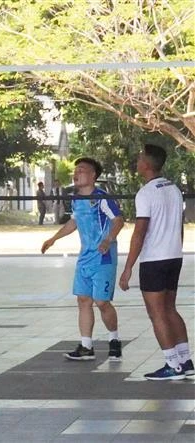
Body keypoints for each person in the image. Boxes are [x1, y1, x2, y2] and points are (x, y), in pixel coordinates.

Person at [119, 144, 193, 380]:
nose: (137, 160)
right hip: (173, 256)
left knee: (156, 313)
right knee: (170, 308)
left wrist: (128, 267)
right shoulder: (173, 189)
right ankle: (186, 360)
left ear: (147, 165)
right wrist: (175, 248)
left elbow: (139, 233)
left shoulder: (146, 193)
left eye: (140, 157)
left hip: (154, 260)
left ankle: (173, 365)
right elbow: (179, 227)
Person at [41, 158, 124, 362]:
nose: (76, 173)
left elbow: (119, 221)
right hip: (85, 257)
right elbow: (74, 222)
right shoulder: (76, 199)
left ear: (93, 175)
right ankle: (86, 346)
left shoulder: (102, 198)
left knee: (102, 302)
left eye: (82, 170)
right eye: (75, 170)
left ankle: (114, 340)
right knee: (83, 300)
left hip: (104, 256)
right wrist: (53, 239)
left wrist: (108, 240)